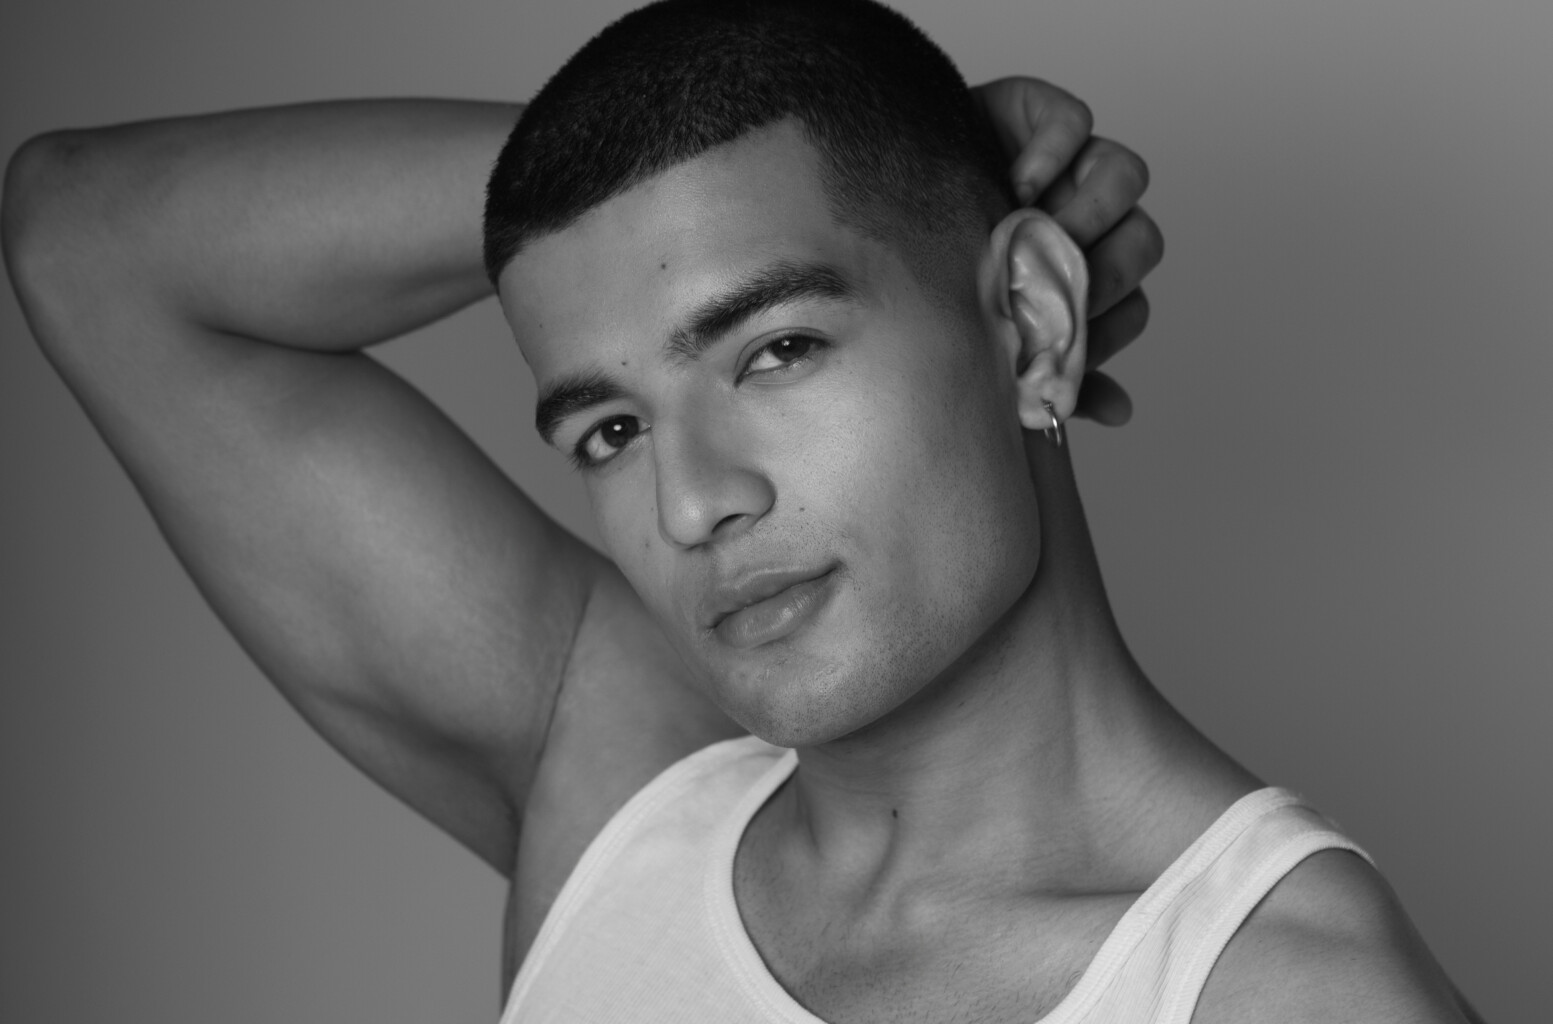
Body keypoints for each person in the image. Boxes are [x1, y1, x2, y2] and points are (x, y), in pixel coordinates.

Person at [1, 0, 1481, 1021]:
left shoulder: (1290, 994)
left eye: (774, 350)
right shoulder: (618, 789)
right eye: (610, 428)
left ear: (1029, 326)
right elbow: (82, 233)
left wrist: (887, 162)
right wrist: (795, 166)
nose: (693, 500)